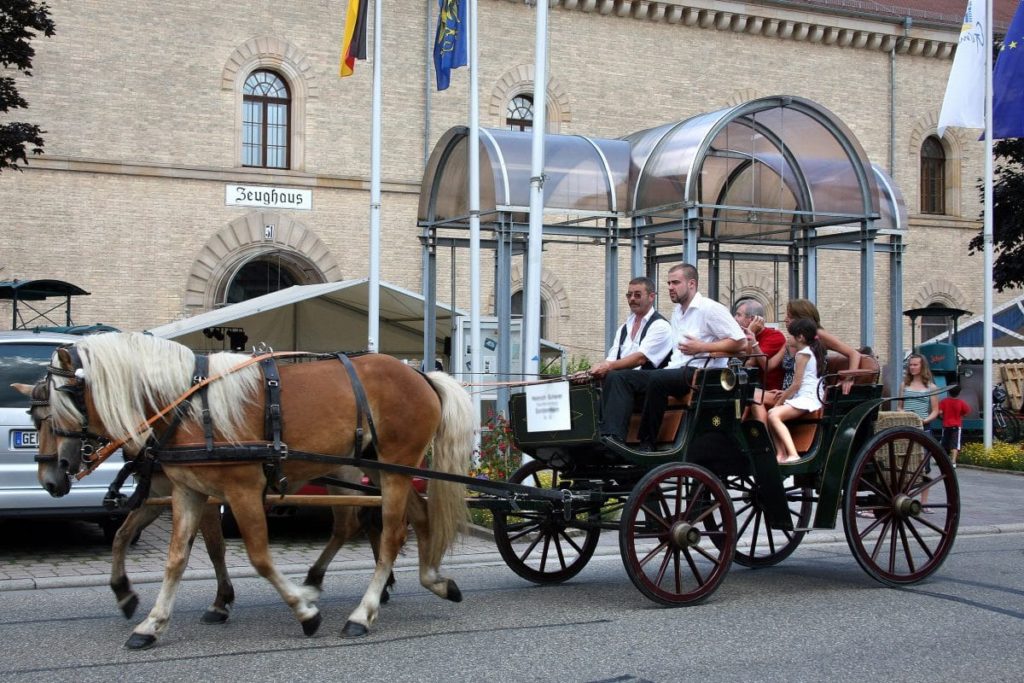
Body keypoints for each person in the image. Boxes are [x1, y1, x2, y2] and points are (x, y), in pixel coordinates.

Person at [600, 263, 746, 451]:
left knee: (659, 378)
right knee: (618, 376)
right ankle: (613, 438)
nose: (670, 287)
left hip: (701, 373)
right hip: (677, 371)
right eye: (668, 283)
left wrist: (702, 347)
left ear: (692, 284)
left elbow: (740, 343)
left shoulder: (710, 309)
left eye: (675, 282)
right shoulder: (677, 312)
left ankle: (647, 442)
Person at [587, 276, 673, 380]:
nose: (632, 299)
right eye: (629, 295)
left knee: (613, 377)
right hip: (622, 384)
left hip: (648, 388)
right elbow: (611, 360)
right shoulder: (623, 328)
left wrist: (608, 367)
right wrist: (589, 372)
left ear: (651, 297)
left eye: (637, 295)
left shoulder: (660, 326)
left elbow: (640, 359)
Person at [767, 318, 826, 463]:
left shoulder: (802, 354)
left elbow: (796, 384)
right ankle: (781, 453)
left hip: (808, 397)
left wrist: (779, 402)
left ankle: (793, 454)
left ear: (800, 337)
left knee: (774, 415)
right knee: (771, 414)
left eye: (790, 335)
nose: (788, 338)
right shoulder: (809, 351)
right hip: (808, 395)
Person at [734, 299, 786, 390]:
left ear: (753, 319)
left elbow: (749, 364)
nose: (735, 318)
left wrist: (751, 334)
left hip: (769, 391)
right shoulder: (742, 336)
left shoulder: (774, 336)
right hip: (752, 388)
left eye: (739, 315)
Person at [899, 353, 940, 427]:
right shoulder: (904, 385)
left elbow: (935, 411)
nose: (912, 367)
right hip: (906, 425)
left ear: (923, 367)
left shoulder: (931, 387)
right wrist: (904, 416)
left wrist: (923, 421)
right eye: (910, 365)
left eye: (915, 365)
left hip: (923, 426)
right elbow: (899, 407)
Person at [938, 384, 970, 468]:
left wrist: (943, 417)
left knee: (944, 443)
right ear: (959, 393)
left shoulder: (944, 401)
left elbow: (940, 413)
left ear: (948, 391)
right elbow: (966, 412)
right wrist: (960, 415)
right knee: (955, 444)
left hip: (946, 425)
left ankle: (942, 460)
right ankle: (953, 462)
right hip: (956, 426)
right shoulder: (961, 402)